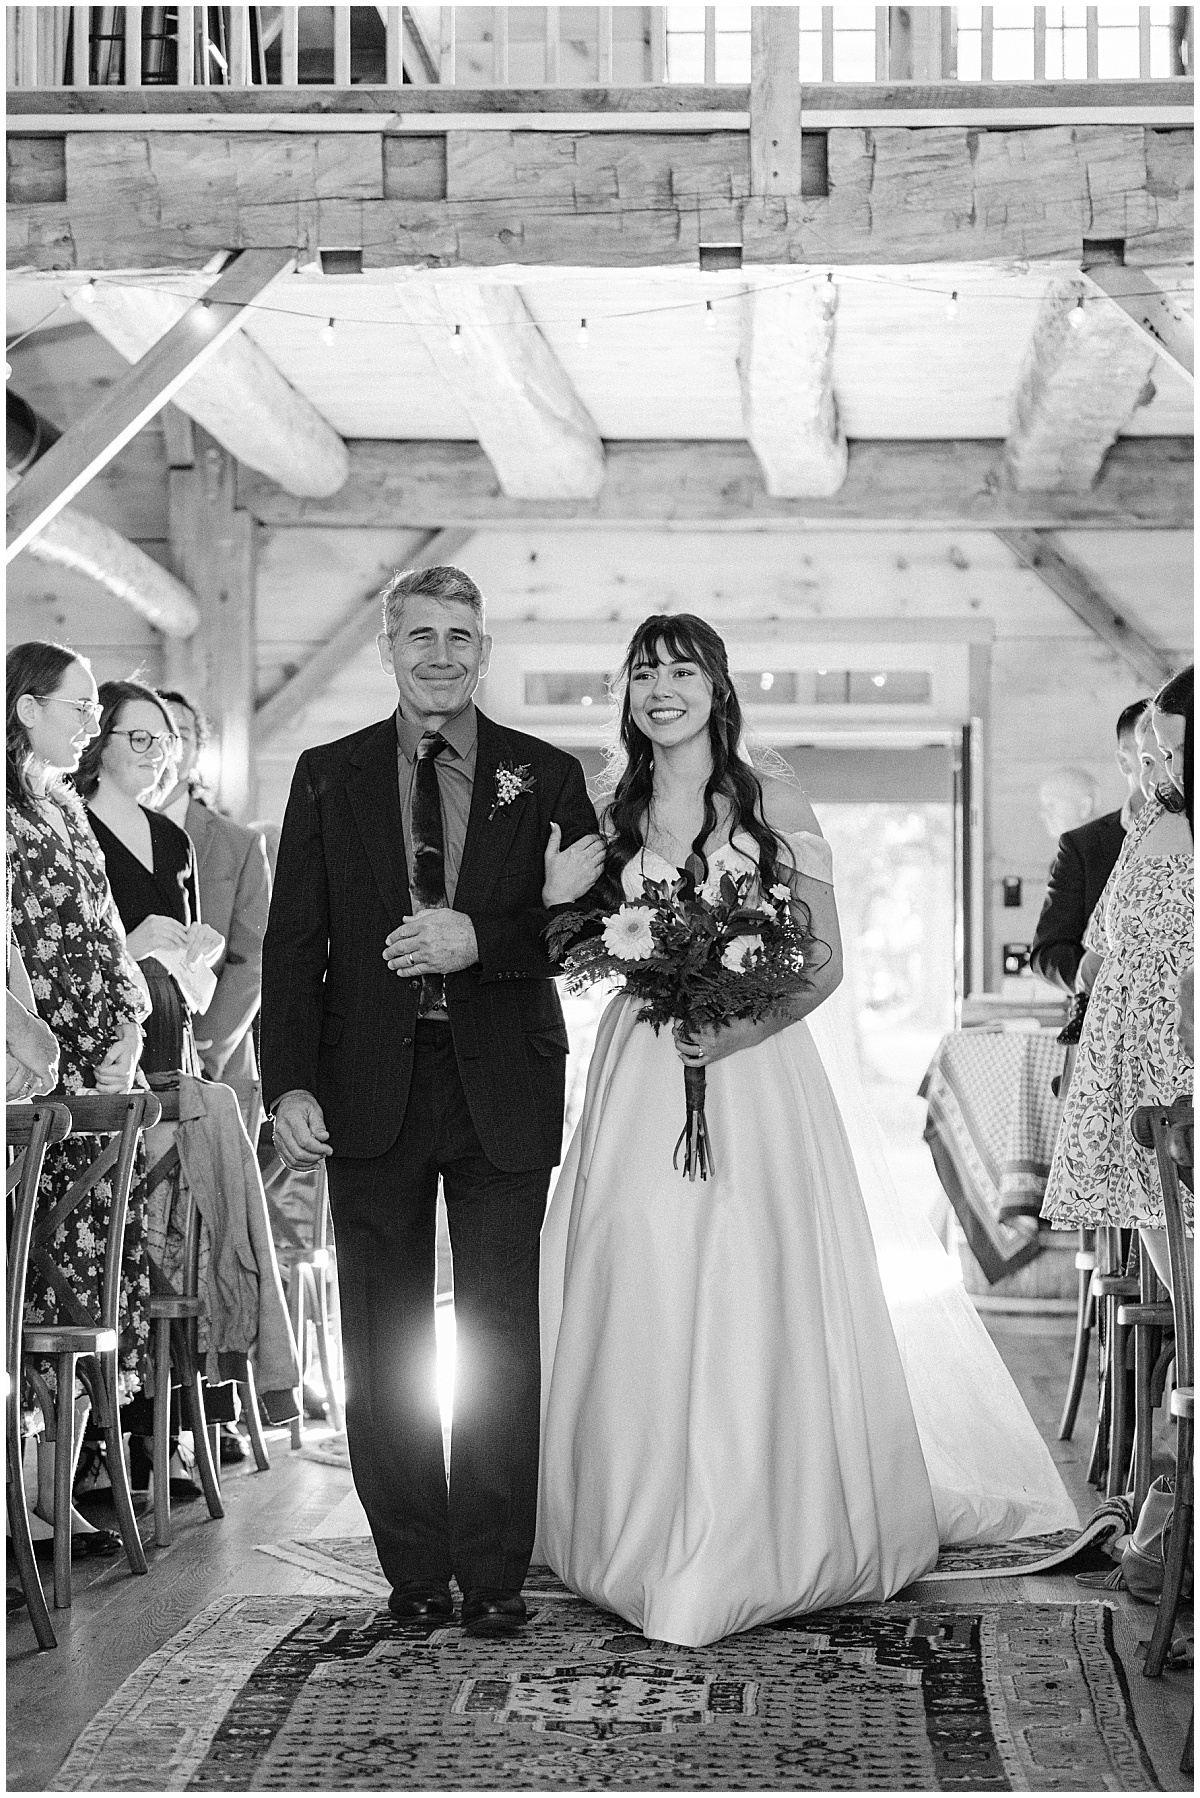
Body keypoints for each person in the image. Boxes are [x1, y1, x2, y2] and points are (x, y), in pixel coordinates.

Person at [537, 613, 1078, 1648]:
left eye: (681, 669)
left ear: (716, 684)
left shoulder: (771, 788)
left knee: (751, 1274)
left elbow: (821, 959)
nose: (662, 687)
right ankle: (629, 1524)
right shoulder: (610, 803)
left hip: (751, 1069)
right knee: (638, 1269)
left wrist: (735, 1032)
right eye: (644, 670)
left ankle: (753, 1524)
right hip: (641, 1066)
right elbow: (570, 933)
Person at [260, 563, 603, 1636]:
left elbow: (588, 937)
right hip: (367, 1087)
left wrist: (481, 936)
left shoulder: (545, 776)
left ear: (484, 648)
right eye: (422, 636)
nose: (442, 654)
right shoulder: (327, 774)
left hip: (502, 1081)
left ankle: (495, 1574)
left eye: (462, 635)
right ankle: (412, 1566)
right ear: (390, 647)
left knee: (502, 1332)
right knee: (383, 1334)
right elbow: (293, 943)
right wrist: (288, 1082)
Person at [6, 642, 151, 1557]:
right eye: (78, 705)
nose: (91, 721)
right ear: (23, 707)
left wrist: (130, 1026)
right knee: (35, 1286)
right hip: (37, 1084)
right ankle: (22, 1501)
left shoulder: (62, 804)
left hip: (105, 1072)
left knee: (87, 1283)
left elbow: (102, 928)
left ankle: (56, 1497)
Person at [1041, 666, 1193, 1296]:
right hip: (1129, 1055)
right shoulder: (1150, 821)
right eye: (1148, 757)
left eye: (1171, 754)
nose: (1157, 773)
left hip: (1182, 1047)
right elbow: (1101, 931)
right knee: (1148, 1209)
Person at [156, 689, 272, 1136]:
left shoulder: (238, 844)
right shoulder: (96, 830)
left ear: (198, 749)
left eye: (181, 733)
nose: (169, 745)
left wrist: (207, 1044)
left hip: (219, 1058)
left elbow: (255, 954)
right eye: (154, 733)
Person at [76, 680, 204, 1078]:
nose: (155, 752)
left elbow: (187, 946)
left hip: (171, 1035)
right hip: (105, 1041)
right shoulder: (73, 830)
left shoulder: (173, 838)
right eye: (139, 738)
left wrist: (203, 946)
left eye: (164, 740)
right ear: (100, 741)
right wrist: (130, 948)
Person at [1031, 699, 1148, 994]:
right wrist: (1091, 974)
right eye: (1148, 753)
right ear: (1124, 761)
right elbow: (1048, 952)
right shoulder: (1082, 846)